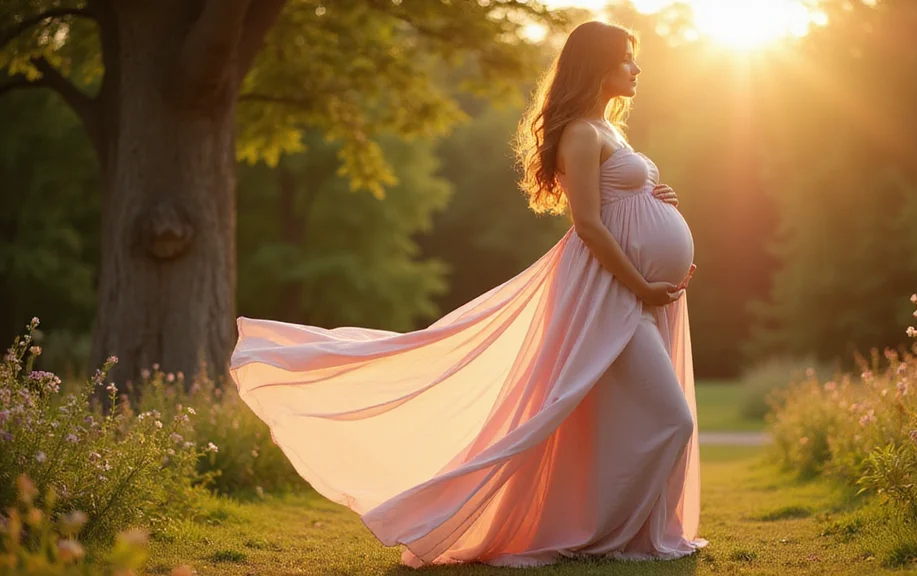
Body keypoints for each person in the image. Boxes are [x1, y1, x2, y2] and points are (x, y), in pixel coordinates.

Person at [230, 19, 708, 568]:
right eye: (626, 58)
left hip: (636, 293)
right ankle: (601, 537)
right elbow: (588, 225)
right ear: (598, 67)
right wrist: (641, 281)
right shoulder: (581, 132)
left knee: (616, 419)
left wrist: (654, 192)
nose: (636, 68)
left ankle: (623, 534)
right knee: (670, 419)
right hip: (607, 292)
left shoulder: (612, 130)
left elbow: (620, 200)